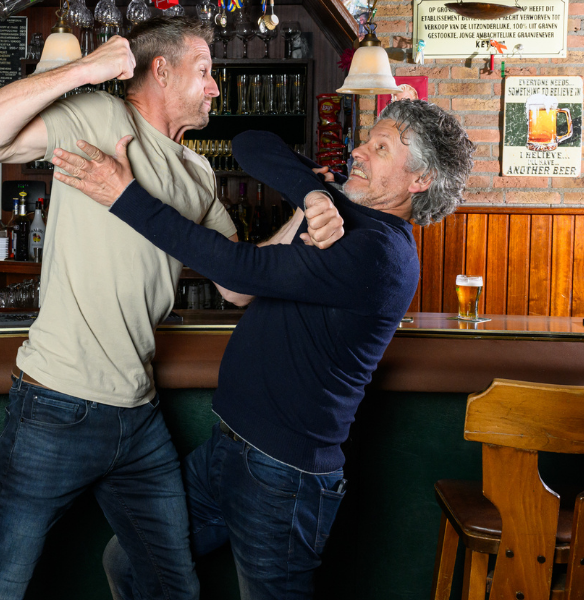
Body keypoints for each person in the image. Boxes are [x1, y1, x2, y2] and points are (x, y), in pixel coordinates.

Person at [0, 16, 345, 600]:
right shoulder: (104, 119)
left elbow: (237, 284)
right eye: (204, 72)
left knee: (171, 587)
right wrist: (84, 70)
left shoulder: (197, 169)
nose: (215, 87)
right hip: (58, 403)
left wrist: (303, 217)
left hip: (138, 415)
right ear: (160, 70)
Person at [51, 98, 475, 599]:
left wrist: (124, 195)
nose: (358, 151)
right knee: (128, 561)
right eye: (367, 139)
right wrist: (315, 195)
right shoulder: (341, 213)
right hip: (227, 451)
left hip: (282, 477)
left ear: (417, 180)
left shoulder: (379, 254)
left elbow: (237, 272)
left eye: (380, 148)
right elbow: (251, 143)